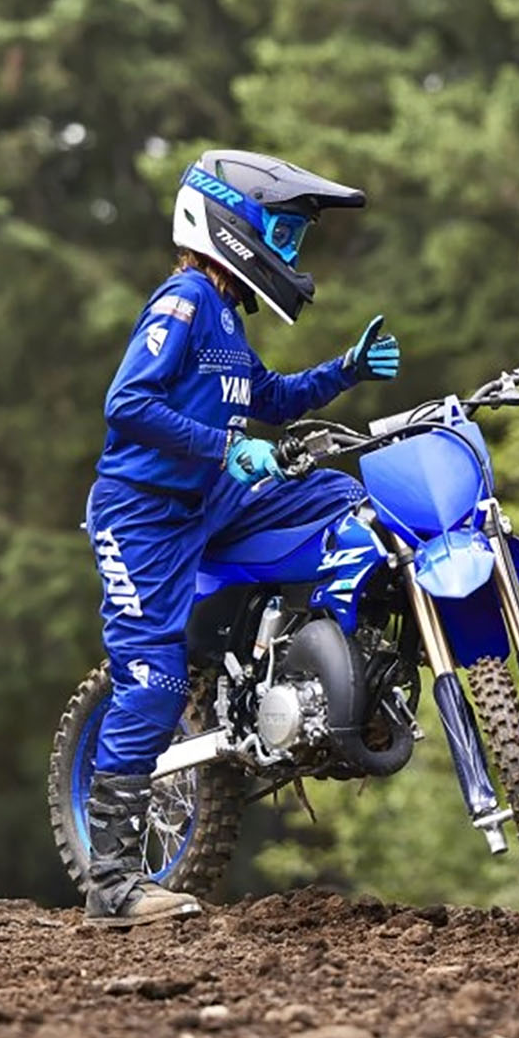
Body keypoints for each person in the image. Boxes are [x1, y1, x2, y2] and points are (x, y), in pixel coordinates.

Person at [84, 149, 400, 925]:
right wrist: (224, 447)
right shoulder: (185, 301)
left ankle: (321, 681)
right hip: (143, 516)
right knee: (154, 682)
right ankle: (113, 883)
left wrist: (346, 370)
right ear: (232, 223)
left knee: (337, 498)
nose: (292, 255)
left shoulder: (226, 315)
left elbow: (271, 397)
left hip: (212, 501)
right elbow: (126, 404)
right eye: (284, 236)